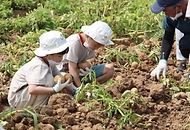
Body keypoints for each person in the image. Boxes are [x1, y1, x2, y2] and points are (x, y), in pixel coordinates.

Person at [8, 31, 77, 109]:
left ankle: (40, 105)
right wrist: (54, 89)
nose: (61, 59)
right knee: (49, 80)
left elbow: (61, 76)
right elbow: (32, 90)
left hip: (25, 97)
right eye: (59, 56)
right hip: (18, 100)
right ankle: (38, 108)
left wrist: (74, 90)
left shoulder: (49, 62)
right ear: (48, 55)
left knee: (62, 75)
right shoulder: (38, 66)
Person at [57, 21, 115, 87]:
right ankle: (76, 90)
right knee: (66, 79)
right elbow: (72, 69)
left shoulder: (88, 44)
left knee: (109, 69)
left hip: (78, 72)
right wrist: (80, 88)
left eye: (100, 45)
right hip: (65, 74)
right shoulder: (74, 43)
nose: (97, 48)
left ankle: (91, 87)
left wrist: (88, 67)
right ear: (88, 35)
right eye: (96, 45)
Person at [150, 0, 190, 79]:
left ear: (178, 7)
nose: (164, 13)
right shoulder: (170, 17)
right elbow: (168, 38)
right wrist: (162, 61)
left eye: (165, 10)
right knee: (185, 45)